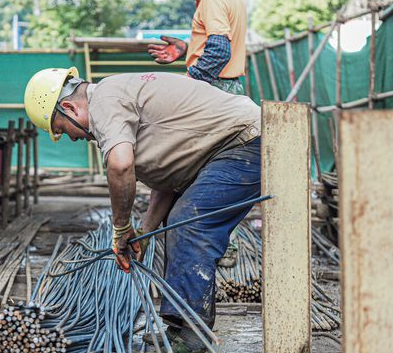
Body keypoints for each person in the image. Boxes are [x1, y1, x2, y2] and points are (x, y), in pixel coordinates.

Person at [24, 67, 261, 352]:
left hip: (247, 142)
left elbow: (120, 165)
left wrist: (121, 228)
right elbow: (171, 179)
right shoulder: (116, 96)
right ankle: (182, 329)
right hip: (236, 144)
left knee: (189, 223)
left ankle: (191, 335)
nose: (72, 138)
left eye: (62, 129)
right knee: (180, 220)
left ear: (68, 107)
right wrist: (145, 232)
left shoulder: (105, 101)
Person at [147, 0, 248, 95]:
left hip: (213, 88)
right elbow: (225, 42)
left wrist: (189, 81)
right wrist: (188, 49)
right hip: (229, 86)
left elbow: (219, 50)